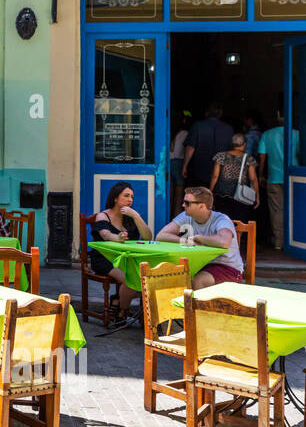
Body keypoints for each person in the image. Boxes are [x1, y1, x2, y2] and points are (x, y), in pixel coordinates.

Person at [87, 182, 153, 322]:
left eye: (132, 197)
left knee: (147, 278)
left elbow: (148, 237)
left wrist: (137, 217)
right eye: (126, 196)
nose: (130, 200)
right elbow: (105, 235)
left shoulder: (131, 217)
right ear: (116, 198)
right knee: (131, 281)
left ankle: (118, 300)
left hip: (127, 259)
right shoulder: (103, 216)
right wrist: (117, 237)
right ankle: (123, 311)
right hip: (105, 258)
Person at [155, 187, 245, 288]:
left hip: (228, 268)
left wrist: (200, 238)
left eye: (187, 203)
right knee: (168, 277)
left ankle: (198, 304)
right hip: (200, 265)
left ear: (202, 206)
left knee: (198, 281)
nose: (183, 205)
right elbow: (160, 236)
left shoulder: (221, 219)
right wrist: (188, 241)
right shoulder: (186, 216)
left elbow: (224, 242)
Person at [258, 111, 292, 250]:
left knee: (277, 210)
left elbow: (262, 156)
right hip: (295, 177)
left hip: (274, 176)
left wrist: (260, 174)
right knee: (294, 209)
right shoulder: (296, 134)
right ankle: (295, 242)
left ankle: (279, 242)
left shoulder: (267, 134)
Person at [209, 133, 259, 222]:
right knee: (240, 221)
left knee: (222, 221)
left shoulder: (221, 156)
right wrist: (257, 196)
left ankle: (224, 236)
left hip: (221, 194)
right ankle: (237, 236)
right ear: (244, 144)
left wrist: (211, 191)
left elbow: (215, 176)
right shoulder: (249, 159)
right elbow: (253, 179)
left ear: (232, 144)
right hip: (241, 196)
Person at [182, 103, 233, 188]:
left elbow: (190, 148)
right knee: (215, 197)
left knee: (198, 196)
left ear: (207, 112)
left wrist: (184, 166)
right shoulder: (228, 129)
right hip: (220, 170)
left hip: (199, 169)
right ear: (220, 113)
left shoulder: (198, 125)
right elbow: (231, 152)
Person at [169, 113, 191, 213]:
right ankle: (176, 216)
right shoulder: (185, 133)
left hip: (168, 163)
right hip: (178, 164)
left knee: (169, 193)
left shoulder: (169, 132)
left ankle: (167, 215)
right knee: (179, 196)